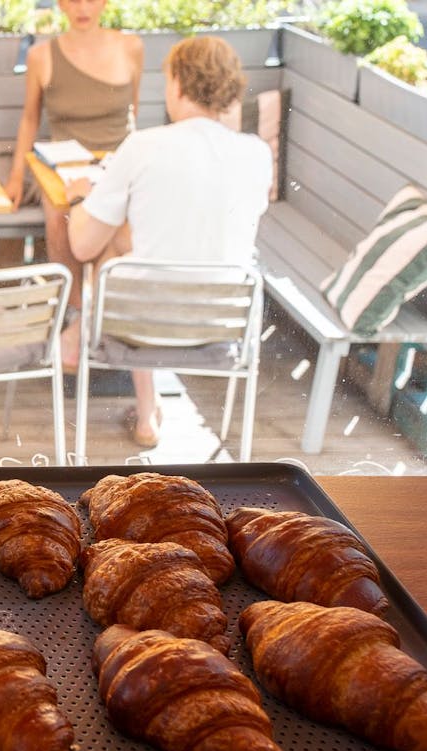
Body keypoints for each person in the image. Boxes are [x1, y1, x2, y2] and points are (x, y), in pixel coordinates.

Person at [65, 35, 273, 448]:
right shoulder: (256, 153)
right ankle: (147, 409)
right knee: (140, 247)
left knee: (112, 246)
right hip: (220, 331)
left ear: (176, 84)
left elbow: (82, 247)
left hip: (138, 328)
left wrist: (79, 195)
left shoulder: (143, 146)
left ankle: (80, 345)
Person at [3, 0, 142, 364]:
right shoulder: (41, 55)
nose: (82, 7)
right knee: (61, 215)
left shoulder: (130, 48)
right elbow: (29, 119)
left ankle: (107, 323)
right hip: (63, 166)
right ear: (62, 4)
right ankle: (77, 313)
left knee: (121, 230)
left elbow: (134, 116)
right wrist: (16, 175)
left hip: (115, 166)